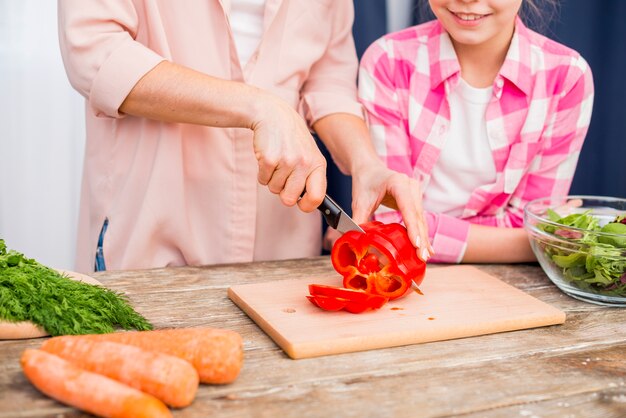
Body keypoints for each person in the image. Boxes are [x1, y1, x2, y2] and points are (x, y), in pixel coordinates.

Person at [57, 0, 434, 273]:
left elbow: (327, 80)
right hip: (149, 237)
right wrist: (257, 107)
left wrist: (364, 164)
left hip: (281, 252)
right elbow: (96, 54)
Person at [357, 0, 594, 263]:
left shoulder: (566, 77)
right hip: (400, 274)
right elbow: (392, 224)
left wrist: (418, 230)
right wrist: (529, 244)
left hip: (508, 285)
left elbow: (533, 221)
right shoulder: (387, 61)